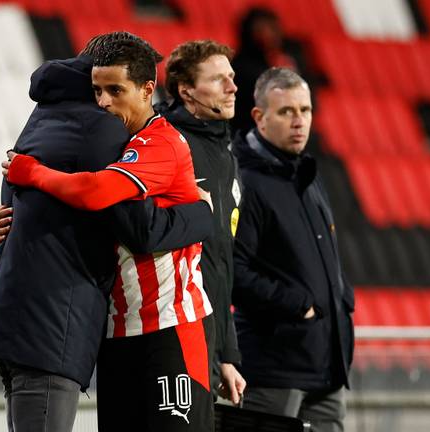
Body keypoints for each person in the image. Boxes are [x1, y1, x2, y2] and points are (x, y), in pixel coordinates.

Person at [0, 32, 214, 432]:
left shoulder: (52, 118)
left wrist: (26, 199)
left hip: (164, 325)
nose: (104, 102)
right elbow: (130, 220)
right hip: (100, 324)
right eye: (98, 89)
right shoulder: (103, 129)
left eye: (114, 90)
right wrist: (202, 213)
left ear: (147, 89)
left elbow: (120, 215)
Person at [231, 67, 354, 432]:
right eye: (286, 112)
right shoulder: (246, 181)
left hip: (326, 365)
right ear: (259, 117)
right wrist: (296, 304)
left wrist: (340, 296)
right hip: (274, 369)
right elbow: (233, 272)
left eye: (305, 110)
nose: (299, 121)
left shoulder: (307, 175)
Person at [159, 39, 247, 404]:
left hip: (208, 338)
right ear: (187, 91)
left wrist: (227, 353)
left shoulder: (226, 155)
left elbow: (220, 262)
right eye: (218, 80)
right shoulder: (166, 145)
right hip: (174, 333)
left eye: (231, 77)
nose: (233, 87)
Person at [230, 7, 308, 136]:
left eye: (274, 28)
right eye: (262, 29)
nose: (271, 35)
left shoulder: (284, 61)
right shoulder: (239, 68)